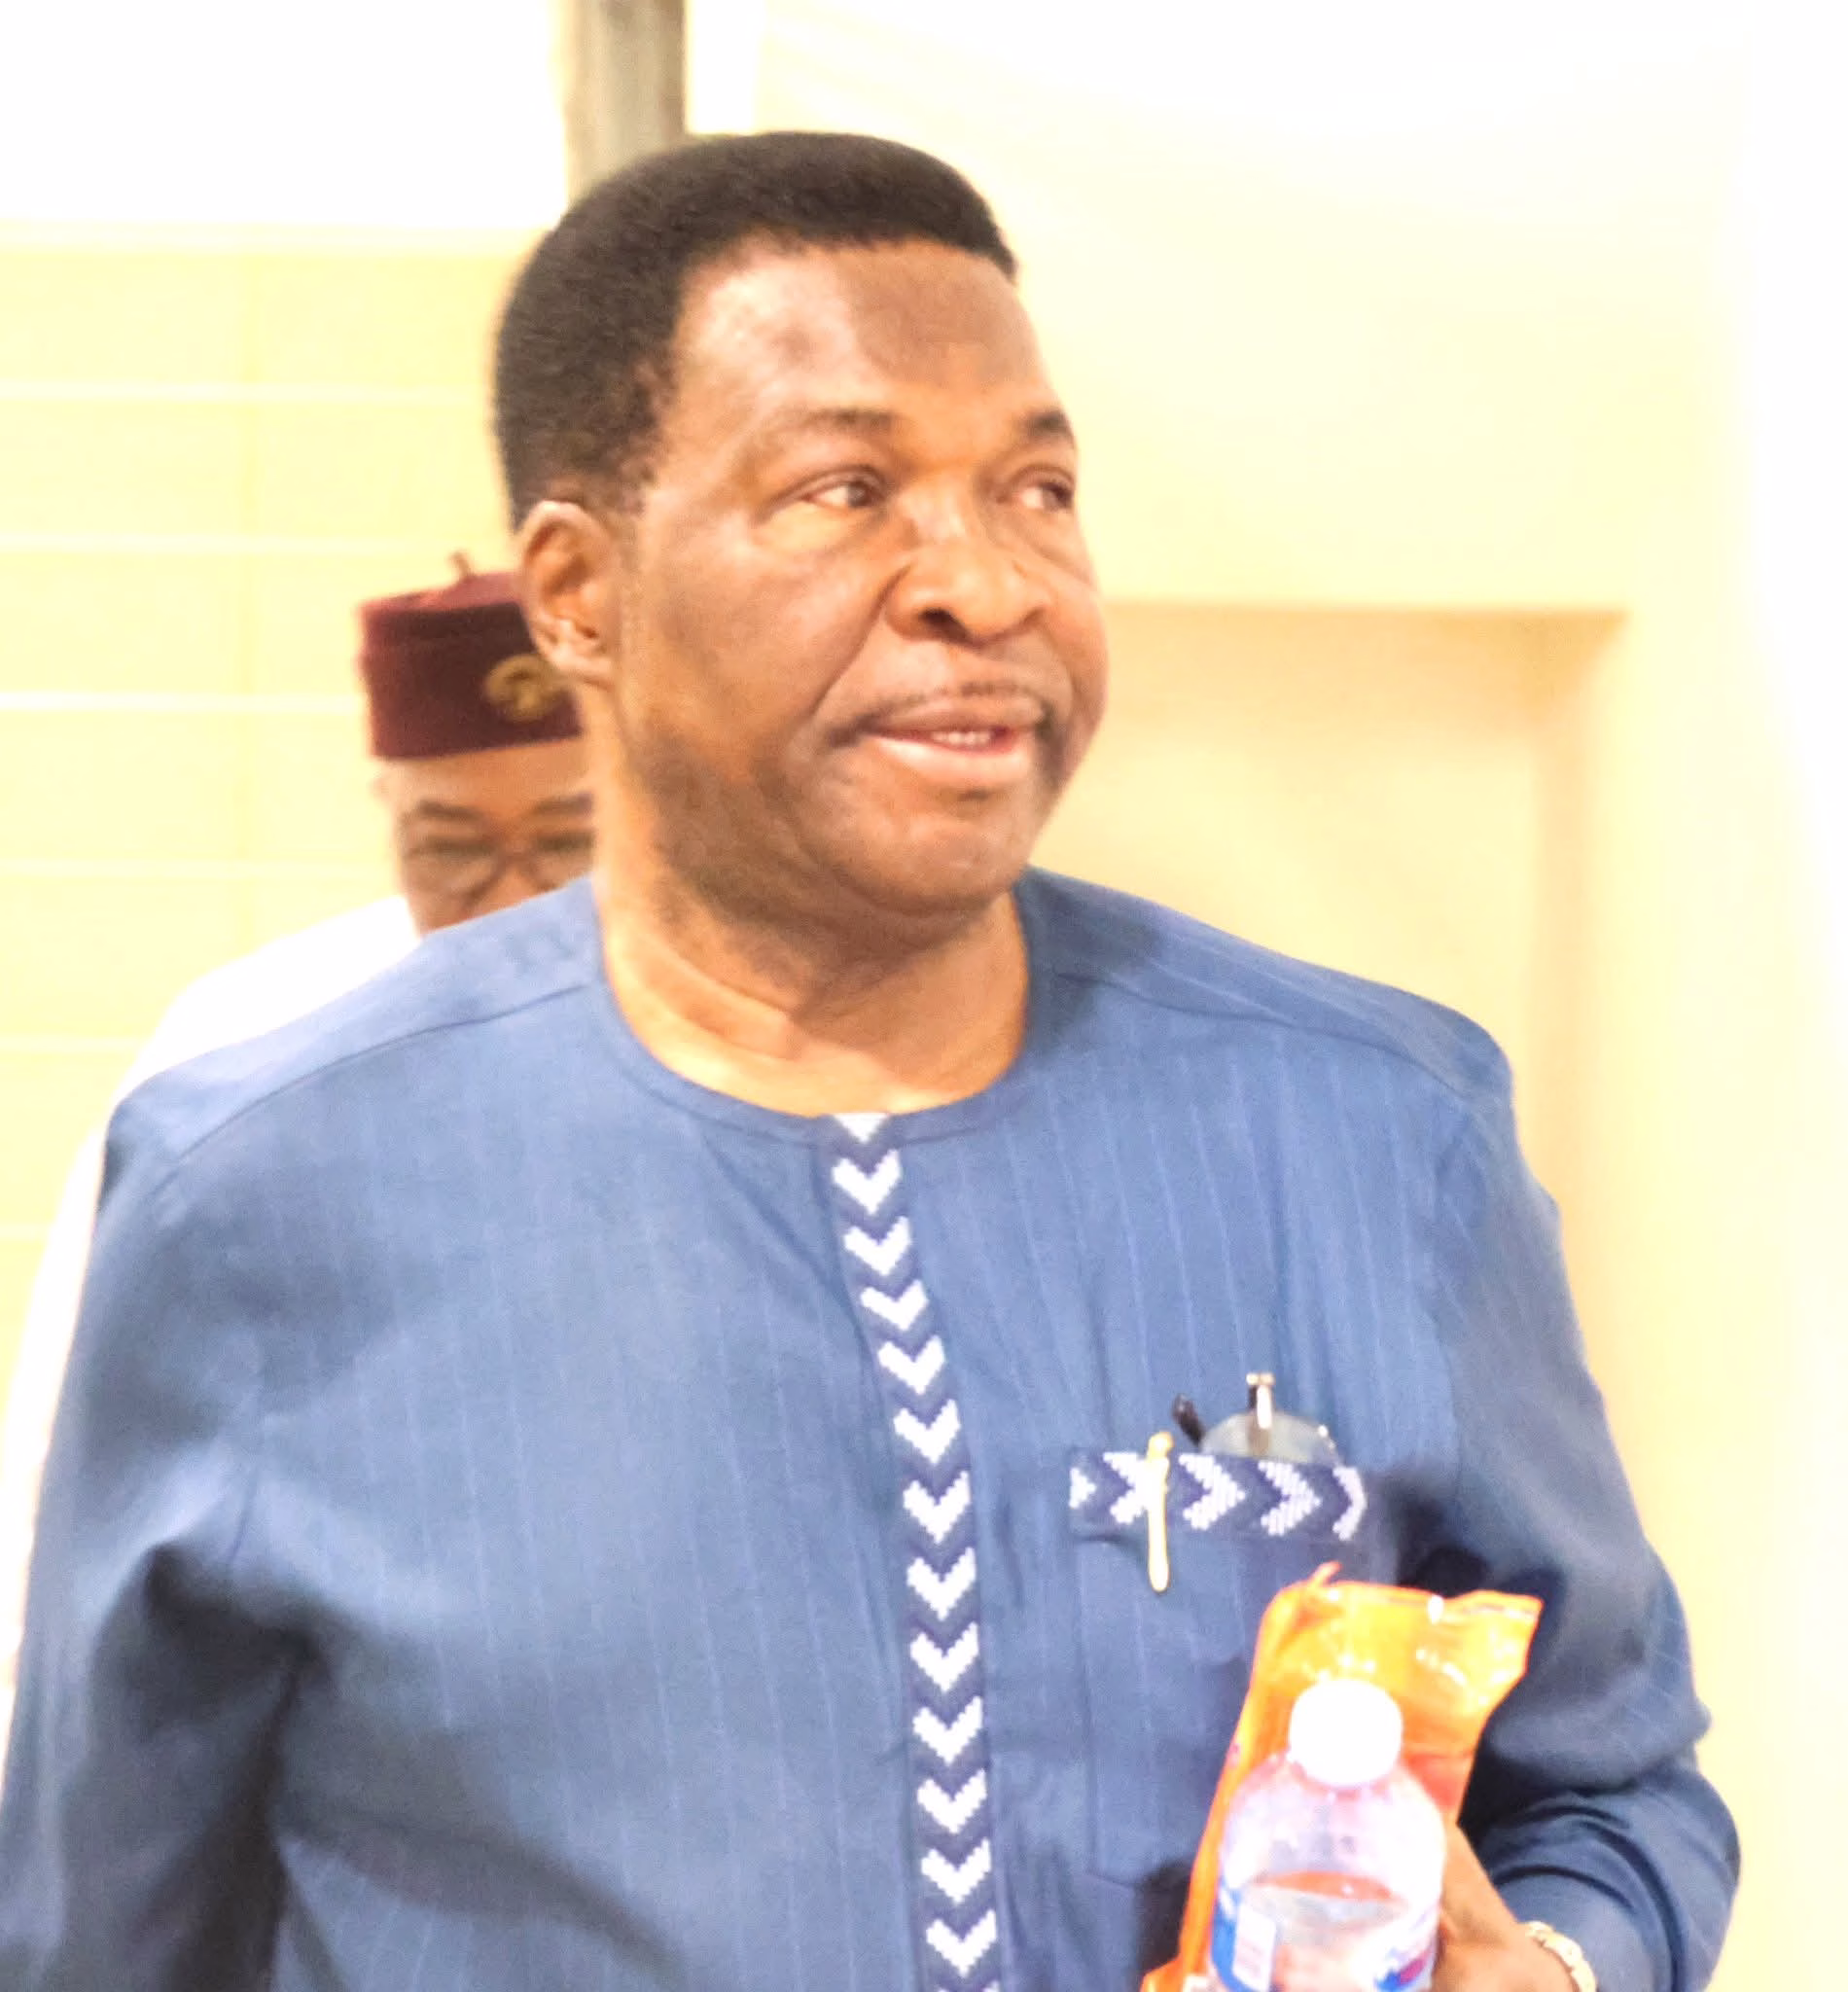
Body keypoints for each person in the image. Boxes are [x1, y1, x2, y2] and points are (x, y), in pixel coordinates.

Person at [0, 133, 1736, 1992]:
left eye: (1038, 488)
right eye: (848, 489)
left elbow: (1615, 1790)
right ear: (578, 593)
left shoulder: (1380, 1132)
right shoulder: (260, 1190)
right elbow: (102, 1934)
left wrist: (1557, 1964)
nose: (986, 582)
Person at [0, 564, 589, 1770]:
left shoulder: (749, 1051)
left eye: (567, 847)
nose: (509, 900)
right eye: (451, 850)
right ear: (388, 814)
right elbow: (67, 1466)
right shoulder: (245, 1041)